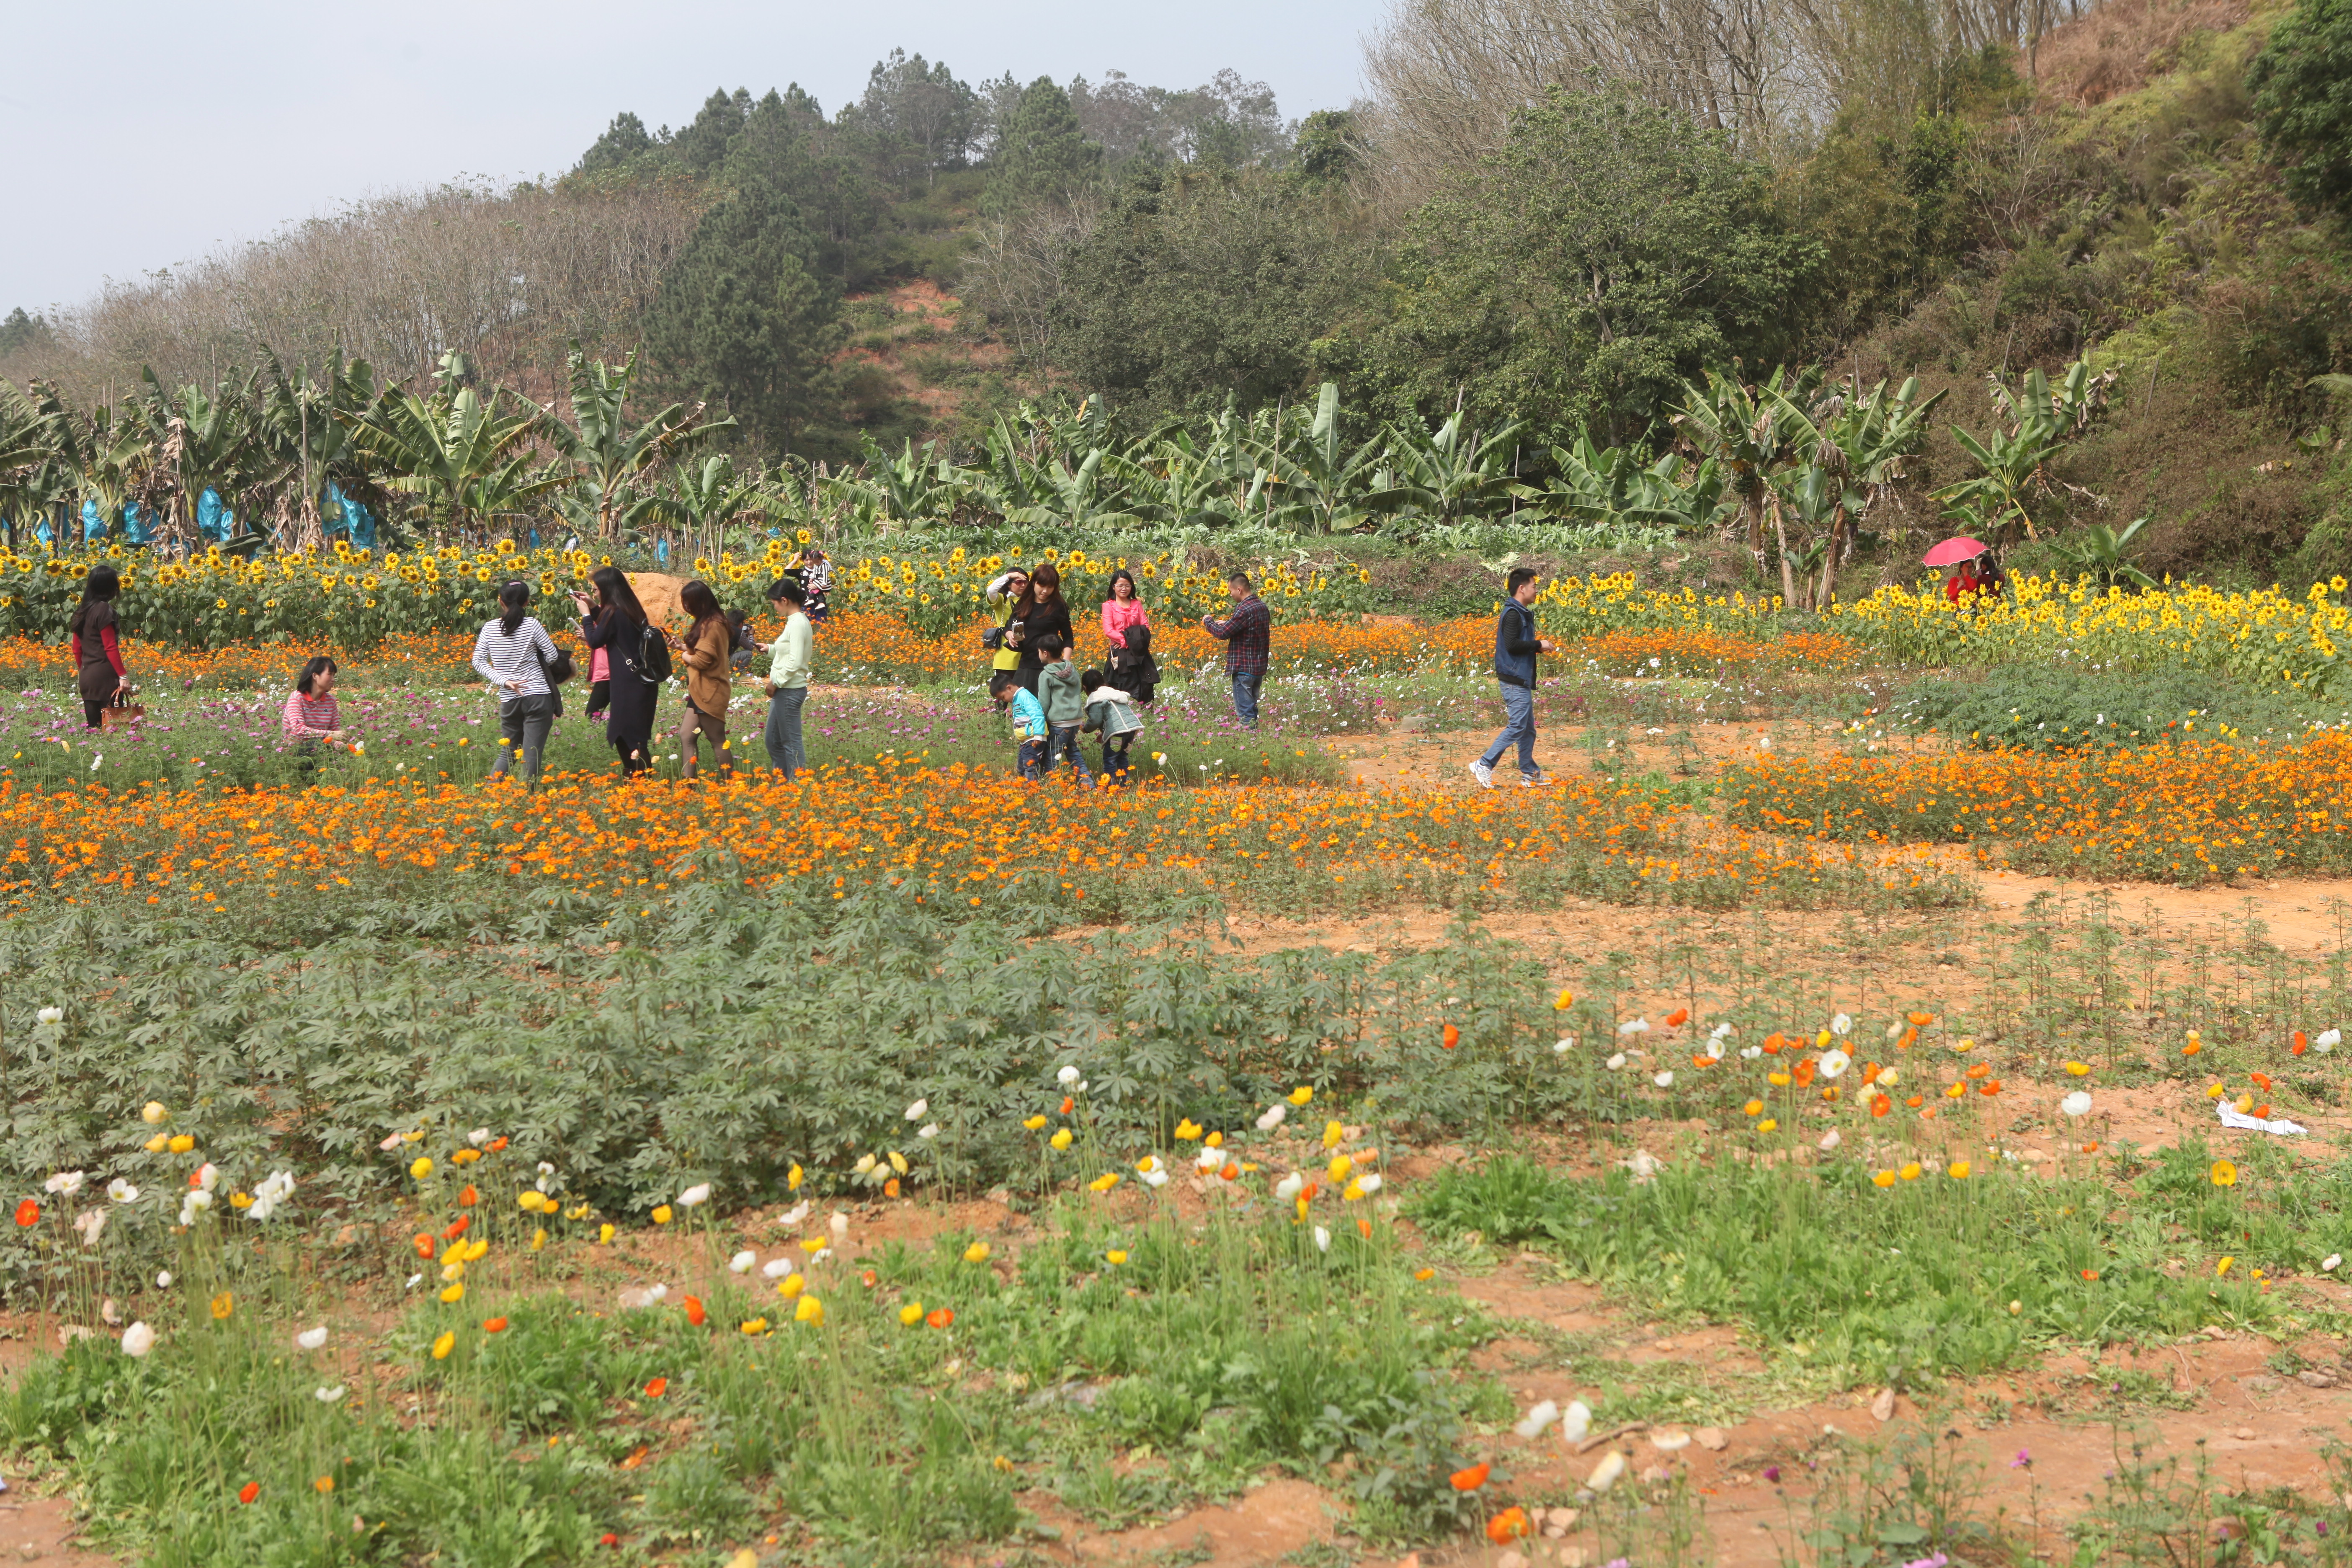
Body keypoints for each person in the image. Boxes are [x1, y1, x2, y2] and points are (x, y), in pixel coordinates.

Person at [1470, 566, 1559, 789]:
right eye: (1534, 586)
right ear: (1522, 588)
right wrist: (1539, 644)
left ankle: (1530, 773)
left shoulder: (1520, 612)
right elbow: (1511, 645)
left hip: (1519, 678)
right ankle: (1484, 763)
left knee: (1528, 729)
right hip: (1513, 680)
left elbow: (1517, 646)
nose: (1537, 590)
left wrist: (1537, 648)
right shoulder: (1513, 614)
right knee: (1518, 726)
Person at [470, 580, 564, 787]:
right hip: (538, 695)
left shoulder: (489, 628)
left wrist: (504, 681)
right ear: (527, 602)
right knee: (532, 752)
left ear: (500, 601)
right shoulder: (532, 624)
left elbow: (477, 661)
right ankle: (527, 797)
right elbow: (552, 656)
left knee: (509, 750)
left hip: (510, 698)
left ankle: (490, 791)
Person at [574, 567, 658, 776]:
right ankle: (634, 776)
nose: (594, 593)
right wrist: (594, 608)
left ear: (607, 589)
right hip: (633, 682)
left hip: (630, 684)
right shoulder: (627, 607)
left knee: (631, 735)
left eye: (596, 590)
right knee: (623, 733)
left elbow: (595, 640)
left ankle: (642, 780)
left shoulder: (615, 611)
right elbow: (610, 627)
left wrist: (586, 616)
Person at [673, 578, 734, 779]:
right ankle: (688, 785)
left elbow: (702, 661)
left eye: (690, 602)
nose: (687, 607)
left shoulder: (712, 625)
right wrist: (682, 647)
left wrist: (684, 656)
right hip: (701, 690)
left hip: (710, 690)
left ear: (702, 602)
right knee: (686, 736)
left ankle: (732, 786)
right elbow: (705, 651)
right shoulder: (712, 621)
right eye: (685, 602)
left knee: (717, 740)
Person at [1202, 569, 1271, 727]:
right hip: (1257, 668)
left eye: (1231, 591)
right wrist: (1227, 622)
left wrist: (1209, 621)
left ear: (1239, 590)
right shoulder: (1261, 606)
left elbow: (1222, 634)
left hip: (1244, 668)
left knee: (1245, 711)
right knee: (1252, 708)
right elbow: (1247, 627)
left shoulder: (1244, 609)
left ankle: (1250, 742)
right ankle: (1257, 740)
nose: (1231, 594)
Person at [763, 578, 813, 777]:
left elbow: (795, 661)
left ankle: (797, 787)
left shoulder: (798, 623)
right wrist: (769, 649)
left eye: (775, 602)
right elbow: (788, 653)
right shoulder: (794, 622)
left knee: (791, 743)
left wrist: (776, 682)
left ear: (784, 600)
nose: (774, 607)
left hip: (789, 690)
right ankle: (783, 786)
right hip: (785, 690)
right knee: (773, 741)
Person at [67, 564, 127, 729]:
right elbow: (110, 646)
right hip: (106, 677)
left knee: (94, 731)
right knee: (114, 733)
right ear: (111, 588)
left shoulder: (81, 611)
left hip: (87, 678)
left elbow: (76, 649)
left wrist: (86, 670)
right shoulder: (104, 610)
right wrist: (123, 676)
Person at [1009, 562, 1073, 697]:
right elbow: (1011, 627)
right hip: (1026, 665)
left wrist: (1065, 665)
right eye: (1042, 586)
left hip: (1050, 667)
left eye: (1050, 587)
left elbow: (1068, 637)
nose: (1045, 591)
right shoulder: (1024, 603)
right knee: (1024, 711)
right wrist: (1010, 634)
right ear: (1034, 583)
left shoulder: (1058, 606)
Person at [1035, 634, 1090, 779]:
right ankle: (1088, 784)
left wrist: (1040, 723)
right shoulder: (1072, 669)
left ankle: (1050, 785)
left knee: (1052, 758)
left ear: (1045, 653)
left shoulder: (1046, 674)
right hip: (1075, 721)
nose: (1039, 654)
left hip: (1059, 723)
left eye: (1039, 651)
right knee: (1073, 753)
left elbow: (1044, 703)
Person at [281, 655, 345, 771]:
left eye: (334, 675)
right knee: (316, 744)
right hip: (296, 752)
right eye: (330, 674)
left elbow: (335, 731)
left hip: (322, 747)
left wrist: (342, 746)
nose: (333, 679)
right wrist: (330, 734)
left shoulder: (331, 701)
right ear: (315, 676)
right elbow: (299, 729)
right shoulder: (297, 698)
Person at [1081, 669, 1143, 784]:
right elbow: (1116, 718)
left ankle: (1111, 786)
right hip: (1131, 730)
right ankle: (1125, 784)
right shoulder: (1114, 693)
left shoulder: (1096, 699)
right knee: (1122, 757)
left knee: (1110, 760)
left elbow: (1095, 721)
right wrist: (1105, 733)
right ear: (1103, 682)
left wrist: (1085, 729)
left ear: (1085, 688)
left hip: (1117, 733)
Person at [993, 669, 1047, 779]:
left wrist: (1038, 735)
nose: (1005, 701)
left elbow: (1037, 714)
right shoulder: (1018, 698)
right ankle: (1026, 786)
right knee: (1021, 767)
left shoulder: (1025, 697)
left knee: (1030, 765)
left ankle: (1032, 788)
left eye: (1003, 697)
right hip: (1026, 740)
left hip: (1034, 738)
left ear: (1009, 688)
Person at [985, 565, 1030, 688]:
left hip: (1026, 652)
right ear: (1009, 584)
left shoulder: (1030, 600)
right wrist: (1009, 576)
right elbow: (991, 591)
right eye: (1019, 582)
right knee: (1004, 693)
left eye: (1026, 582)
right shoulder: (1002, 599)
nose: (1023, 585)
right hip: (1006, 653)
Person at [798, 545, 833, 623]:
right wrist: (794, 561)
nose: (810, 562)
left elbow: (825, 576)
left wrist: (818, 585)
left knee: (821, 626)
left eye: (811, 560)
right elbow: (787, 571)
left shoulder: (823, 566)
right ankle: (812, 599)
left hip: (822, 587)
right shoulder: (804, 571)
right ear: (803, 561)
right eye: (806, 560)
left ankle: (820, 602)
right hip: (807, 603)